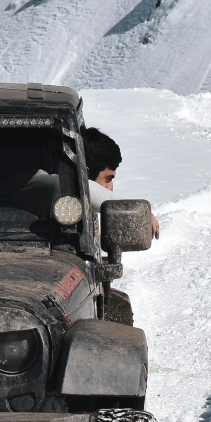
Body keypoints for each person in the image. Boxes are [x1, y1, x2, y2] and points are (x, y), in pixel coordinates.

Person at [82, 126, 155, 324]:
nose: (110, 187)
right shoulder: (51, 182)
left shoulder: (78, 202)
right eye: (108, 179)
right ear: (85, 172)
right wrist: (142, 215)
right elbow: (85, 188)